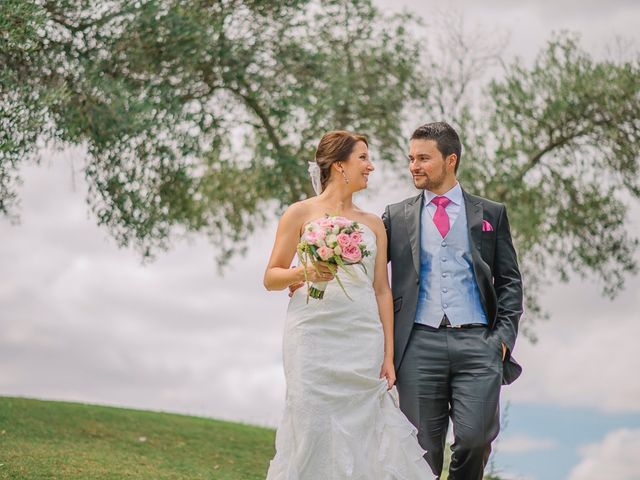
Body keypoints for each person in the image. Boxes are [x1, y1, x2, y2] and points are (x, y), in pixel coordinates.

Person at [263, 130, 433, 479]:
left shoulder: (374, 224)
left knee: (365, 429)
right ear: (340, 165)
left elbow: (382, 290)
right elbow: (271, 277)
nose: (370, 167)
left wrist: (387, 355)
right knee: (311, 422)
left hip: (361, 336)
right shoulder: (299, 213)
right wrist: (305, 271)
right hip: (311, 335)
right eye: (363, 158)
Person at [384, 121, 524, 479]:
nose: (414, 165)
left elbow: (509, 281)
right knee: (421, 453)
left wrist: (503, 339)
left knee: (475, 440)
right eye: (411, 158)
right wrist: (313, 272)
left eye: (423, 158)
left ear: (451, 160)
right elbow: (363, 265)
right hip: (417, 345)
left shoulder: (490, 213)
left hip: (478, 343)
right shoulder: (396, 216)